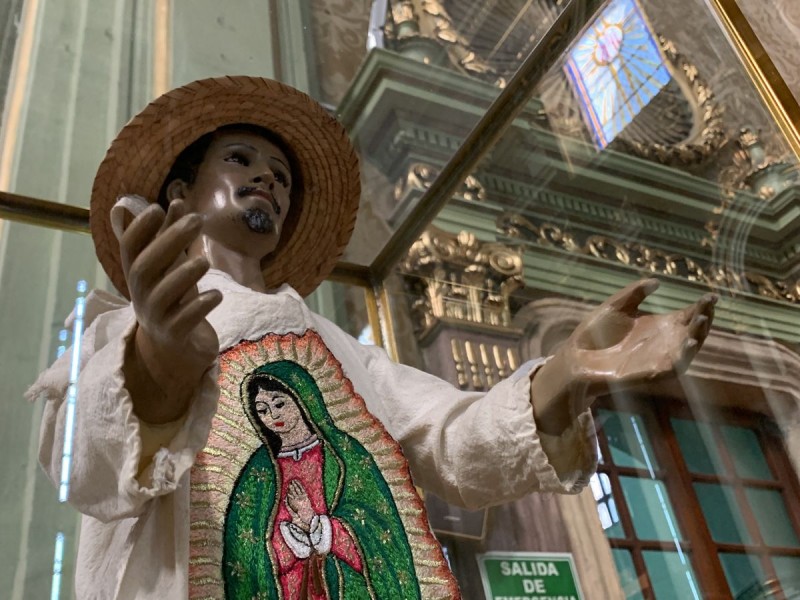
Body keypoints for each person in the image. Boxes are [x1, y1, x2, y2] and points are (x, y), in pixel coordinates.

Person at [27, 76, 715, 600]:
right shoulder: (114, 335)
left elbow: (453, 438)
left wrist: (569, 369)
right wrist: (154, 366)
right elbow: (80, 466)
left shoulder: (339, 352)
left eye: (283, 176)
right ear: (179, 195)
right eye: (240, 159)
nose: (267, 177)